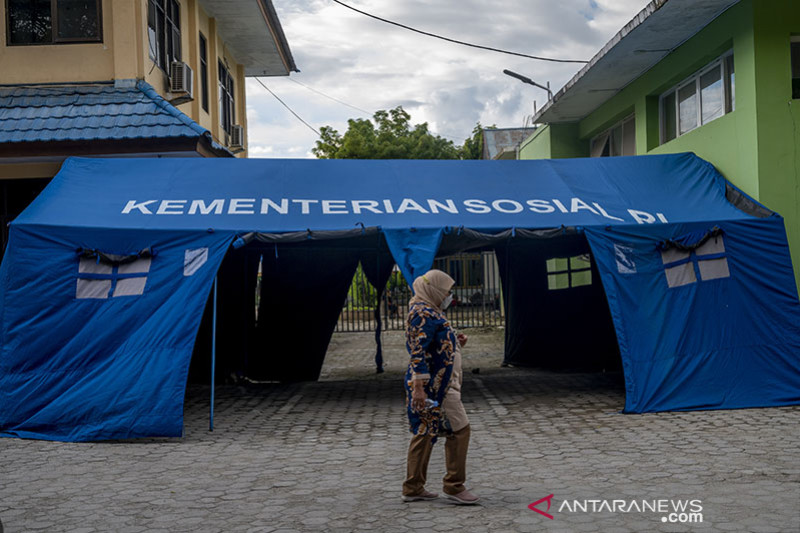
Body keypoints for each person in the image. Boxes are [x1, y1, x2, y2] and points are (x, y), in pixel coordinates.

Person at [401, 269, 479, 505]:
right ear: (433, 290)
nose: (449, 296)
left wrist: (455, 341)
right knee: (460, 430)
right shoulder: (421, 313)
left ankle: (413, 487)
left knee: (425, 432)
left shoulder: (429, 310)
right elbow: (418, 353)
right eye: (446, 291)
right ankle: (454, 486)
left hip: (439, 382)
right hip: (436, 387)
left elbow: (435, 344)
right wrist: (419, 388)